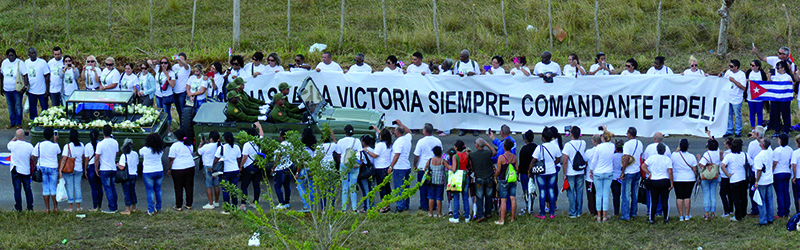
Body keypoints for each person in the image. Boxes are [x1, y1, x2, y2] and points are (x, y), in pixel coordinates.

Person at [531, 127, 562, 219]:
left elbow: (533, 160)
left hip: (542, 172)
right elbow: (558, 158)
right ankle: (552, 212)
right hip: (552, 171)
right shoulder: (555, 146)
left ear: (543, 138)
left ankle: (542, 213)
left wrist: (530, 171)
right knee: (551, 190)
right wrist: (553, 164)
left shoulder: (539, 148)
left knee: (542, 191)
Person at [720, 139, 751, 222]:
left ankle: (738, 215)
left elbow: (722, 165)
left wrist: (727, 174)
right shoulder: (744, 155)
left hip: (734, 179)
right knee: (744, 197)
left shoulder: (729, 156)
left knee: (736, 198)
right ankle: (743, 213)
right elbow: (751, 164)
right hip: (743, 178)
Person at [641, 143, 673, 224]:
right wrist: (671, 183)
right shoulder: (667, 159)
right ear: (664, 150)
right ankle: (666, 218)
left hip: (654, 180)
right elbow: (670, 172)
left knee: (653, 201)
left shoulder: (652, 158)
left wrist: (649, 173)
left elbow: (643, 166)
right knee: (665, 200)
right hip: (665, 181)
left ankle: (652, 218)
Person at [413, 123, 442, 211]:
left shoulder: (421, 141)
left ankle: (424, 205)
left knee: (423, 187)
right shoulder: (437, 141)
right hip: (434, 166)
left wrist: (415, 164)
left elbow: (416, 155)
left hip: (423, 167)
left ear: (424, 131)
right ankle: (433, 205)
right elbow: (440, 153)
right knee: (433, 186)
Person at [333, 125, 362, 212]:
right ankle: (354, 208)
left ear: (345, 132)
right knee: (353, 186)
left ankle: (344, 208)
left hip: (343, 164)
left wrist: (340, 164)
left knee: (344, 186)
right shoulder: (357, 141)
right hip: (354, 165)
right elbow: (360, 154)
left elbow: (338, 154)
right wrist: (359, 164)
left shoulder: (341, 141)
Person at [32, 128, 60, 213]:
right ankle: (55, 207)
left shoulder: (39, 145)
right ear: (52, 136)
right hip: (53, 167)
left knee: (45, 188)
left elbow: (34, 156)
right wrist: (56, 141)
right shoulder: (55, 145)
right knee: (53, 188)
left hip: (42, 167)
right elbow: (58, 152)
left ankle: (47, 208)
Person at [365, 127, 393, 213]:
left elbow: (375, 155)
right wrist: (377, 129)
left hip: (380, 168)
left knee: (382, 188)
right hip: (387, 167)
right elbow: (383, 134)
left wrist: (366, 151)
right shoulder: (389, 144)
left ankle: (383, 206)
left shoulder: (380, 145)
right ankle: (387, 204)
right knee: (387, 186)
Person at [214, 131, 243, 214]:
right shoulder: (236, 147)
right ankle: (235, 207)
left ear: (224, 138)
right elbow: (238, 158)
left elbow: (216, 159)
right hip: (235, 170)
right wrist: (238, 167)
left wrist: (213, 167)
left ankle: (227, 209)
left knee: (225, 190)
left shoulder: (221, 148)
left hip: (225, 171)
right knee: (234, 189)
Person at [589, 129, 614, 222]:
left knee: (599, 195)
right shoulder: (612, 146)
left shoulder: (598, 148)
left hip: (598, 172)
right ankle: (604, 216)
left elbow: (594, 161)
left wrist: (591, 170)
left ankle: (599, 216)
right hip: (608, 172)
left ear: (602, 138)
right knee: (606, 194)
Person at [388, 120, 413, 212]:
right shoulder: (407, 139)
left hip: (399, 167)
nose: (394, 132)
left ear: (397, 133)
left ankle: (400, 206)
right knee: (406, 187)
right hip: (407, 166)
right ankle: (406, 204)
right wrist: (401, 124)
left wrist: (391, 166)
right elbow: (409, 131)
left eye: (395, 131)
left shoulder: (398, 142)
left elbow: (397, 155)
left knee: (399, 187)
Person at [561, 126, 586, 218]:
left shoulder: (568, 145)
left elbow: (565, 161)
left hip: (571, 172)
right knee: (579, 191)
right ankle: (579, 211)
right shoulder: (583, 143)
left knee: (571, 192)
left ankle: (573, 212)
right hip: (580, 170)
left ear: (571, 134)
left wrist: (564, 174)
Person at [1, 48, 30, 128]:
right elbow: (2, 75)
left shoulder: (20, 63)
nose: (11, 57)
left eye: (12, 55)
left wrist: (25, 87)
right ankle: (12, 122)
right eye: (9, 56)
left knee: (18, 106)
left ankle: (18, 122)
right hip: (7, 89)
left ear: (15, 55)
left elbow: (25, 75)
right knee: (10, 106)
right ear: (7, 56)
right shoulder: (4, 63)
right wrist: (1, 87)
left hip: (16, 89)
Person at [642, 132, 669, 216]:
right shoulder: (666, 148)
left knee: (651, 196)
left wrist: (648, 172)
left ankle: (650, 212)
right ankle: (659, 212)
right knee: (662, 196)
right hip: (664, 176)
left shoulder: (649, 148)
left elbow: (644, 160)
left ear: (654, 139)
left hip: (651, 176)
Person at [168, 129, 195, 211]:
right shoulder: (190, 145)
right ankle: (189, 204)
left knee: (178, 187)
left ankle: (178, 205)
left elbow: (171, 159)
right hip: (190, 166)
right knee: (189, 186)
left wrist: (168, 169)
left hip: (178, 169)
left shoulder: (174, 146)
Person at [671, 139, 698, 221]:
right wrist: (696, 177)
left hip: (677, 178)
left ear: (679, 146)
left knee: (679, 197)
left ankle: (681, 216)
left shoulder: (674, 155)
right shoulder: (691, 156)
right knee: (687, 197)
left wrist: (678, 148)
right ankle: (687, 215)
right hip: (689, 178)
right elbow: (695, 169)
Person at [471, 138, 496, 222]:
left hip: (479, 178)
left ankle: (481, 214)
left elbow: (471, 165)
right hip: (489, 177)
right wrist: (487, 144)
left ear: (477, 145)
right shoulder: (488, 153)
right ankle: (488, 212)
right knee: (489, 195)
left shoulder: (473, 155)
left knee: (479, 196)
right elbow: (494, 152)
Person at [95, 125, 119, 213]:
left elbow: (97, 157)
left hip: (104, 168)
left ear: (103, 132)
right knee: (113, 187)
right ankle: (115, 205)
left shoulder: (100, 144)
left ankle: (112, 207)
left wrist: (96, 168)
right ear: (111, 132)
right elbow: (117, 153)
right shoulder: (115, 142)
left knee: (108, 189)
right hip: (113, 167)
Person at [8, 129, 34, 211]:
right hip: (26, 170)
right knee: (27, 189)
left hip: (15, 169)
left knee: (17, 189)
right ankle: (30, 207)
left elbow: (9, 143)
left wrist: (15, 137)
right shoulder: (29, 146)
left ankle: (18, 207)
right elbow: (32, 156)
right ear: (24, 136)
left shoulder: (12, 145)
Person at [140, 133, 165, 215]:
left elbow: (141, 154)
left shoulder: (144, 149)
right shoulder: (160, 149)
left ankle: (151, 210)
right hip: (159, 170)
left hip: (148, 172)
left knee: (149, 191)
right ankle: (159, 207)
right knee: (158, 189)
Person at [493, 139, 517, 225]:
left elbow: (498, 171)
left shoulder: (501, 158)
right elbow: (517, 169)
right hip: (512, 180)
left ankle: (502, 220)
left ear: (504, 147)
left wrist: (495, 176)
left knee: (503, 200)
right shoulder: (514, 157)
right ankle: (512, 218)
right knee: (513, 198)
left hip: (503, 180)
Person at [58, 129, 84, 212]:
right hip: (79, 168)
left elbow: (64, 158)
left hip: (69, 170)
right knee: (77, 187)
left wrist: (60, 170)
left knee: (69, 187)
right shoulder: (82, 145)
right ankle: (78, 207)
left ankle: (70, 207)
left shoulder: (67, 146)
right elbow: (83, 157)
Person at [240, 125, 265, 209]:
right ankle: (255, 203)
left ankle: (243, 204)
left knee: (244, 186)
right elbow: (262, 135)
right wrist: (260, 127)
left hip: (248, 167)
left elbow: (245, 157)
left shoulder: (247, 144)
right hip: (257, 166)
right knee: (256, 185)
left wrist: (241, 166)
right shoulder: (259, 142)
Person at [697, 137, 721, 220]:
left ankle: (706, 213)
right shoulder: (717, 153)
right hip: (715, 175)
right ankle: (713, 213)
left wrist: (699, 159)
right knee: (713, 194)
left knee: (706, 194)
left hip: (706, 177)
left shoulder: (707, 154)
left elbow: (701, 165)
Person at [25, 47, 51, 121]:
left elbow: (47, 76)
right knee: (32, 109)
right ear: (28, 54)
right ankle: (34, 122)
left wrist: (47, 90)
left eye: (34, 53)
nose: (33, 55)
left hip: (42, 91)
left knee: (44, 109)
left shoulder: (42, 62)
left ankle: (45, 122)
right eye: (31, 53)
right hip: (31, 90)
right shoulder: (26, 62)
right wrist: (26, 87)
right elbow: (25, 75)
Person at [722, 59, 746, 138]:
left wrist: (734, 81)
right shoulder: (728, 72)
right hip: (728, 97)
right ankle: (729, 130)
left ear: (736, 67)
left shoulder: (741, 75)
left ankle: (738, 131)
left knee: (737, 115)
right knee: (728, 115)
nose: (729, 67)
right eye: (729, 66)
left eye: (731, 66)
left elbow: (743, 87)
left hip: (737, 98)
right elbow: (723, 81)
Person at [449, 140, 471, 223]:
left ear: (456, 147)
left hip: (457, 177)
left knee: (456, 197)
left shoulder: (455, 156)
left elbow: (454, 168)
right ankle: (467, 216)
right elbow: (469, 165)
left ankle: (456, 217)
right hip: (466, 176)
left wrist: (448, 166)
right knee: (465, 197)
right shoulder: (466, 155)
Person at [754, 138, 775, 226]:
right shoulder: (770, 152)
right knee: (769, 200)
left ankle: (763, 220)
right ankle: (770, 218)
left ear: (761, 145)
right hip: (770, 179)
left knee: (761, 201)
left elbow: (759, 170)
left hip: (762, 181)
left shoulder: (759, 156)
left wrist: (756, 181)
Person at [198, 131, 221, 210]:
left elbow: (199, 152)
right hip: (216, 166)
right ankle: (216, 201)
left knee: (208, 185)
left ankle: (210, 203)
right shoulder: (219, 145)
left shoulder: (206, 146)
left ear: (211, 138)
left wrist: (201, 143)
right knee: (216, 184)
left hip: (208, 166)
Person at [770, 61, 795, 134]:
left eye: (779, 68)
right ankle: (777, 130)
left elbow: (791, 88)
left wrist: (791, 83)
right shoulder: (774, 76)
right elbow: (768, 83)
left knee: (785, 115)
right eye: (776, 68)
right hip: (775, 98)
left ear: (783, 68)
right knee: (775, 114)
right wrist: (769, 75)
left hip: (784, 99)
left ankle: (786, 130)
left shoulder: (787, 77)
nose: (777, 69)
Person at [424, 146, 449, 217]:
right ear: (440, 152)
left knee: (431, 197)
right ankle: (439, 213)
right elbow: (448, 167)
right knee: (439, 198)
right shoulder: (442, 161)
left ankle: (431, 213)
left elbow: (425, 169)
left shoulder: (430, 160)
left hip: (431, 180)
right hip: (440, 181)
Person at [297, 128, 318, 211]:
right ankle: (311, 204)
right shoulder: (314, 147)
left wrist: (297, 173)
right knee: (312, 186)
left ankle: (306, 205)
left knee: (300, 186)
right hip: (312, 168)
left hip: (304, 169)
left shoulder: (302, 148)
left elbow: (300, 163)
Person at [773, 133, 792, 218]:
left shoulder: (777, 150)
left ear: (780, 140)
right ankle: (786, 210)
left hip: (778, 172)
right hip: (787, 172)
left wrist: (772, 171)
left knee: (779, 193)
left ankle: (781, 212)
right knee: (786, 192)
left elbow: (775, 162)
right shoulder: (790, 149)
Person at [517, 130, 537, 215]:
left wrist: (518, 172)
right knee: (532, 190)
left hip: (524, 173)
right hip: (533, 172)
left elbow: (521, 163)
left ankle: (527, 206)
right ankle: (531, 206)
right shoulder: (536, 147)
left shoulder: (524, 149)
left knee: (525, 190)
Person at [117, 138, 139, 215]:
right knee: (132, 191)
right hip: (134, 174)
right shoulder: (135, 154)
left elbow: (122, 167)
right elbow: (137, 164)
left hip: (127, 176)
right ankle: (134, 207)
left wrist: (117, 165)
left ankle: (127, 209)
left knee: (126, 192)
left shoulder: (124, 155)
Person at [84, 129, 104, 211]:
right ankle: (99, 205)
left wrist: (85, 170)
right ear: (98, 136)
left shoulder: (87, 146)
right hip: (100, 166)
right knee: (100, 187)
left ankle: (94, 206)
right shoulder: (101, 144)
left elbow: (86, 159)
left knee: (94, 188)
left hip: (91, 167)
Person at [745, 60, 768, 128]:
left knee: (759, 112)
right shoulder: (749, 72)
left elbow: (765, 83)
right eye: (751, 65)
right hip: (750, 95)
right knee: (752, 112)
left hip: (759, 96)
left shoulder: (761, 73)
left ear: (757, 67)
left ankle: (759, 127)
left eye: (753, 65)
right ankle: (752, 127)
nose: (751, 67)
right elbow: (744, 81)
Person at [154, 57, 176, 125]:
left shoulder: (171, 73)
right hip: (158, 94)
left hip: (167, 95)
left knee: (166, 113)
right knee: (159, 112)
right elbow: (149, 62)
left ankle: (168, 129)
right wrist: (155, 61)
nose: (163, 65)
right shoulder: (158, 70)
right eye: (162, 63)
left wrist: (167, 75)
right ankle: (160, 127)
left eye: (165, 63)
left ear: (168, 64)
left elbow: (172, 85)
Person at [170, 53, 191, 120]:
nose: (180, 61)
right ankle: (181, 125)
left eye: (182, 60)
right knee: (178, 109)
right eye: (179, 60)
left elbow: (185, 65)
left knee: (183, 110)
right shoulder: (175, 66)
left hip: (182, 91)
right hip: (175, 91)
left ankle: (185, 125)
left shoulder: (187, 67)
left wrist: (179, 58)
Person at [585, 134, 600, 216]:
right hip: (599, 176)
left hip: (590, 178)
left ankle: (592, 211)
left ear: (594, 141)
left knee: (590, 195)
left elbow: (585, 161)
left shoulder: (589, 152)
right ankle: (600, 210)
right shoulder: (602, 151)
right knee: (599, 194)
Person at [719, 137, 735, 217]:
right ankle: (731, 209)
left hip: (725, 177)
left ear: (727, 144)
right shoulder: (733, 152)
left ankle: (726, 211)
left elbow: (723, 163)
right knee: (730, 193)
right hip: (732, 176)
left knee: (722, 193)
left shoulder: (726, 154)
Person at [611, 139, 624, 216]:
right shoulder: (624, 156)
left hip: (614, 177)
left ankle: (616, 211)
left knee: (615, 196)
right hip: (622, 177)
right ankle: (624, 210)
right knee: (624, 195)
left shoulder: (613, 156)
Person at [791, 135, 800, 214]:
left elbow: (794, 165)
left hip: (798, 176)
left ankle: (798, 211)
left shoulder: (795, 153)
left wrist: (794, 176)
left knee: (797, 195)